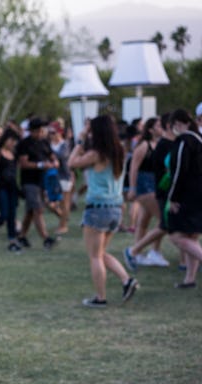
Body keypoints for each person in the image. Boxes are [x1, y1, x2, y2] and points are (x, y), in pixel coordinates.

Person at [68, 115, 139, 308]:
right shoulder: (120, 151)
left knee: (95, 256)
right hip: (115, 208)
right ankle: (127, 281)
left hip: (98, 209)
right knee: (100, 253)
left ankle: (100, 298)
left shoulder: (97, 153)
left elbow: (72, 163)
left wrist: (81, 137)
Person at [164, 108, 202, 288]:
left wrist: (173, 198)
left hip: (191, 195)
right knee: (191, 235)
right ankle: (189, 279)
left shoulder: (185, 141)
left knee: (176, 235)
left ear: (177, 124)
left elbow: (178, 172)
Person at [124, 113, 176, 272]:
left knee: (144, 221)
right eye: (158, 126)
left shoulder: (159, 144)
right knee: (164, 221)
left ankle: (139, 253)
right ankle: (151, 252)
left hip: (154, 185)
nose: (162, 128)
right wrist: (132, 188)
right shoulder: (144, 145)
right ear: (151, 130)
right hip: (144, 187)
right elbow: (133, 167)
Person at [16, 118, 58, 249]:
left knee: (30, 211)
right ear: (32, 131)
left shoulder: (44, 142)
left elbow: (51, 155)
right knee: (38, 209)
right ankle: (46, 238)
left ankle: (22, 236)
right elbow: (23, 163)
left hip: (42, 181)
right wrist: (40, 165)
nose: (41, 133)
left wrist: (55, 162)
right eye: (39, 131)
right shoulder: (25, 144)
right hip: (29, 181)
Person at [0, 127, 22, 251]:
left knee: (13, 214)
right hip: (1, 187)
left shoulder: (14, 153)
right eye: (11, 140)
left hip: (12, 187)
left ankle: (12, 240)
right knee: (4, 214)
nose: (12, 143)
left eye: (14, 141)